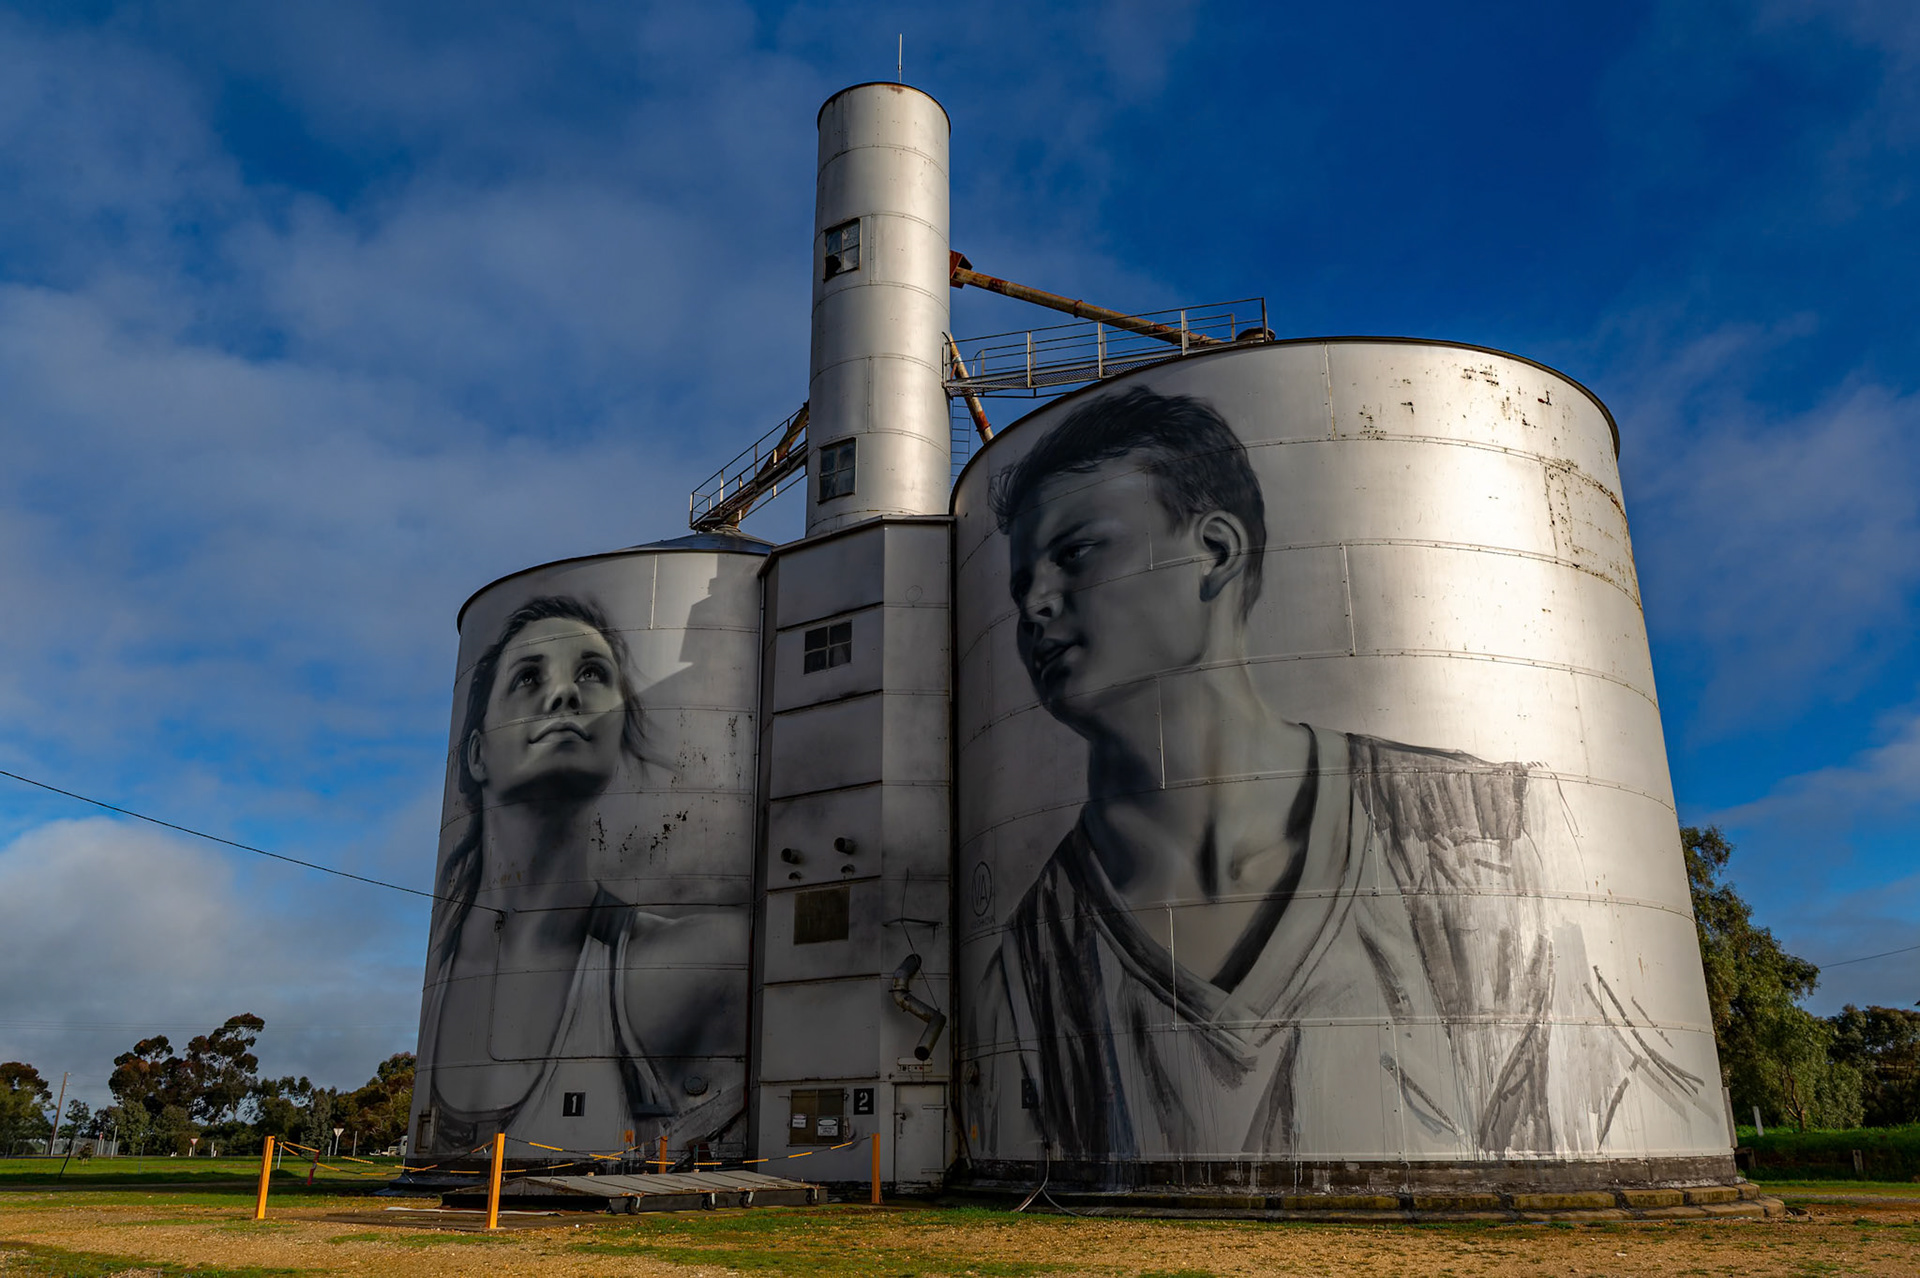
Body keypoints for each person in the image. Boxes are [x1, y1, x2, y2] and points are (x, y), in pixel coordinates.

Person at [970, 387, 1718, 1165]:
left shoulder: (1477, 835)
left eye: (1076, 555)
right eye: (1020, 585)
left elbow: (1609, 1123)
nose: (1035, 603)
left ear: (1216, 552)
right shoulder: (1027, 968)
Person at [414, 596, 741, 1156]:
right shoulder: (443, 964)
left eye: (591, 674)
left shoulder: (691, 961)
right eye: (528, 677)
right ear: (476, 754)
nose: (564, 694)